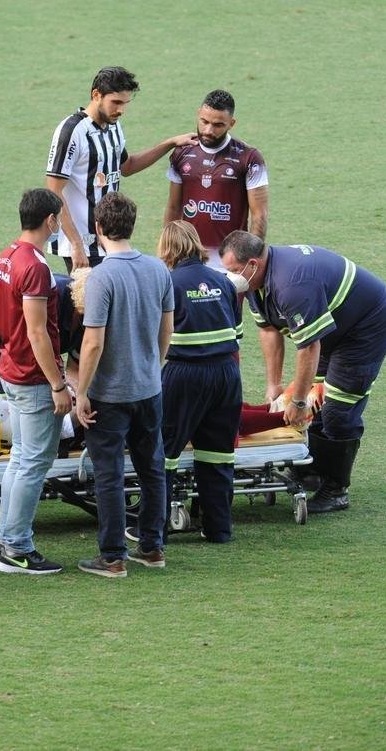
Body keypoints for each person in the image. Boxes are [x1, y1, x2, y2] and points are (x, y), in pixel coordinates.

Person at [219, 231, 386, 513]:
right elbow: (268, 330)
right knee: (317, 403)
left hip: (365, 326)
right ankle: (312, 471)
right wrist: (274, 385)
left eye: (233, 270)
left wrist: (299, 400)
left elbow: (309, 346)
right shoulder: (255, 281)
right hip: (332, 328)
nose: (230, 277)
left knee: (337, 408)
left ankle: (336, 489)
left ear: (252, 264)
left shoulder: (292, 285)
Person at [74, 192, 173, 578]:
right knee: (152, 469)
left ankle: (113, 556)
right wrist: (153, 365)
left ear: (98, 228)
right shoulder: (158, 269)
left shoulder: (101, 277)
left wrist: (82, 391)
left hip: (109, 395)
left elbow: (93, 343)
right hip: (149, 388)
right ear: (132, 225)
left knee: (110, 474)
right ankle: (152, 547)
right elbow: (166, 328)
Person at [0, 189, 72, 575]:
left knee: (21, 459)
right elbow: (37, 332)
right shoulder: (35, 266)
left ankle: (6, 540)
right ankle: (16, 548)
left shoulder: (7, 255)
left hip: (12, 369)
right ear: (50, 221)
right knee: (33, 464)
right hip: (33, 376)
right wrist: (58, 384)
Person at [45, 66, 197, 271]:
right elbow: (54, 190)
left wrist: (170, 143)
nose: (121, 110)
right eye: (115, 102)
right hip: (83, 244)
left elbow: (127, 166)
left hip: (111, 239)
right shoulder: (72, 131)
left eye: (125, 103)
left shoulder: (113, 126)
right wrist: (76, 244)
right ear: (96, 95)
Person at [156, 221, 243, 542]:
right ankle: (218, 529)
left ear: (167, 248)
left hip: (184, 373)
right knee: (218, 455)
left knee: (163, 454)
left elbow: (157, 335)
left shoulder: (168, 283)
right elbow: (236, 335)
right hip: (226, 375)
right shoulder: (224, 282)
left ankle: (154, 532)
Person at [164, 90, 269, 268]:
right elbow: (174, 207)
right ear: (198, 114)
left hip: (230, 261)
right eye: (204, 121)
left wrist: (249, 261)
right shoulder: (182, 153)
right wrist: (168, 252)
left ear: (231, 124)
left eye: (218, 125)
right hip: (188, 257)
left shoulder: (249, 157)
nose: (208, 131)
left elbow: (259, 215)